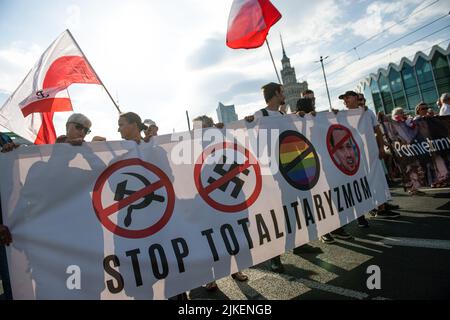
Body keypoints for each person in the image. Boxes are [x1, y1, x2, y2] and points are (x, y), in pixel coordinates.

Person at [192, 115, 249, 291]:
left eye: (200, 128)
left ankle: (236, 270)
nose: (197, 132)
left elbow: (242, 152)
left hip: (233, 197)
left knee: (237, 235)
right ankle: (212, 277)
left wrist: (227, 131)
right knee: (212, 240)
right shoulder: (191, 149)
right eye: (195, 130)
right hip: (209, 201)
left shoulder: (225, 142)